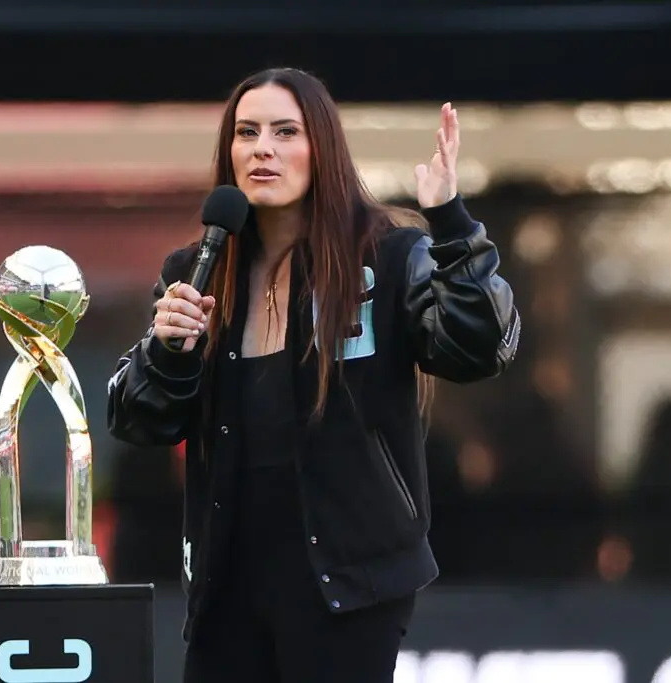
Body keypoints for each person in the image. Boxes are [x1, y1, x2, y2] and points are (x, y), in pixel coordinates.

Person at [106, 67, 519, 683]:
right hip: (227, 586)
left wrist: (452, 224)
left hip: (349, 583)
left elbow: (480, 347)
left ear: (321, 147)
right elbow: (138, 420)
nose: (262, 149)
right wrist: (167, 351)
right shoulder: (196, 270)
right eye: (246, 132)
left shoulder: (386, 255)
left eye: (284, 132)